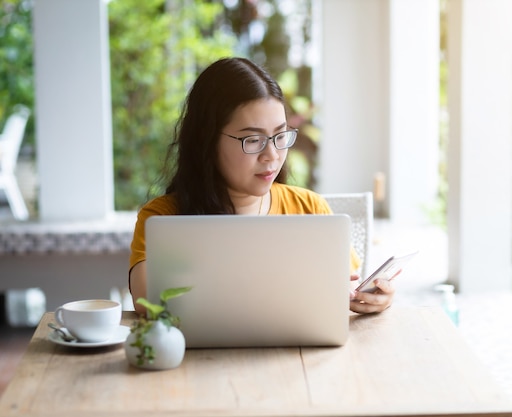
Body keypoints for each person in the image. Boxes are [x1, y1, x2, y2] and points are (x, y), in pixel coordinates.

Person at [128, 57, 395, 315]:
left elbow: (347, 285)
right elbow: (145, 299)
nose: (272, 155)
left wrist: (370, 298)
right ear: (206, 142)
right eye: (253, 140)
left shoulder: (309, 209)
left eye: (280, 136)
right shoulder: (163, 218)